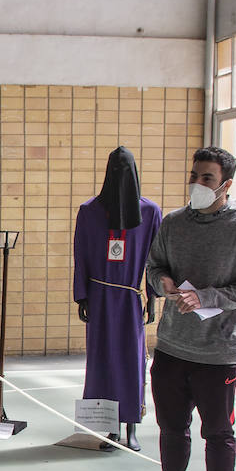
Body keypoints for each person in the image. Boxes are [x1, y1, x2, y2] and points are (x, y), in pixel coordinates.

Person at [130, 146, 236, 471]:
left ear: (226, 184)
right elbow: (153, 268)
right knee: (172, 428)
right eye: (194, 175)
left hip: (218, 352)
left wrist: (208, 297)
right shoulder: (173, 223)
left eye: (206, 178)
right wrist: (164, 285)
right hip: (173, 346)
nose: (197, 184)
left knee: (218, 433)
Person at [73, 147, 162, 451]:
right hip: (99, 296)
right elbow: (81, 255)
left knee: (131, 362)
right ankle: (109, 428)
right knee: (102, 362)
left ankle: (132, 425)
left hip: (130, 298)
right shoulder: (90, 211)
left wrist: (153, 297)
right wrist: (82, 296)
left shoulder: (150, 212)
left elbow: (157, 259)